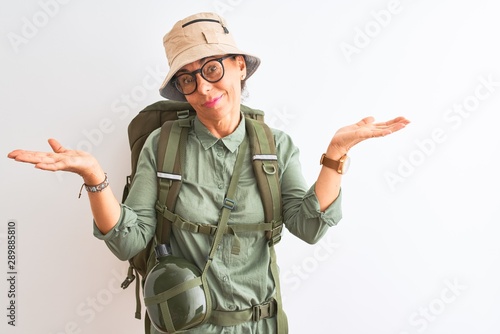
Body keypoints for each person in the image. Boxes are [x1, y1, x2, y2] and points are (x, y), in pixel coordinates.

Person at [7, 12, 409, 334]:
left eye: (212, 69)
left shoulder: (276, 147)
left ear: (239, 67)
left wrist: (335, 154)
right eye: (188, 79)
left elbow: (309, 226)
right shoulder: (163, 146)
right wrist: (94, 176)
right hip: (185, 328)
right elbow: (129, 241)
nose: (202, 87)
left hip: (261, 326)